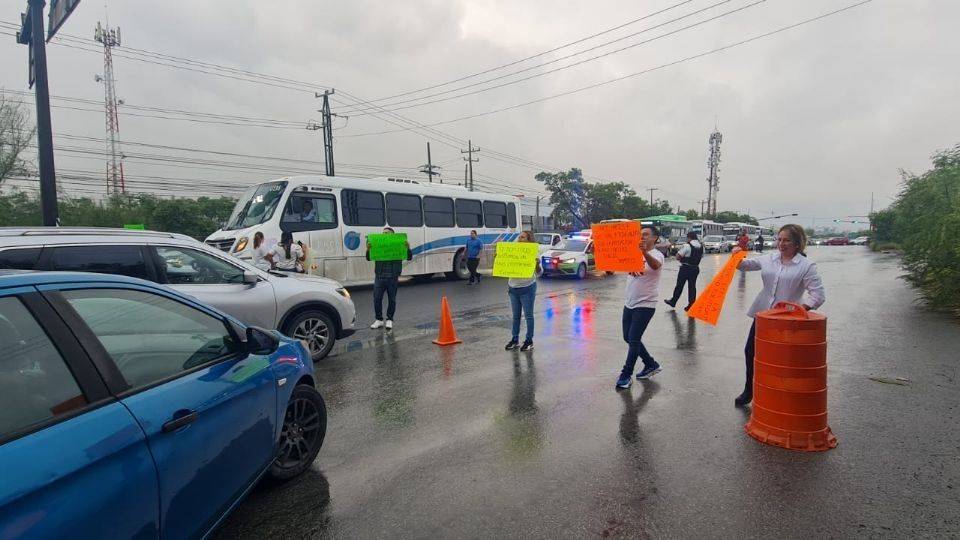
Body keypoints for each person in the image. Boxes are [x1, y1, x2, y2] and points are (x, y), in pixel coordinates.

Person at [732, 224, 825, 406]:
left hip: (787, 321)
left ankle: (782, 394)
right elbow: (743, 266)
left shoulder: (806, 266)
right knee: (750, 351)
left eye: (787, 240)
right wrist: (737, 253)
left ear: (797, 243)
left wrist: (801, 310)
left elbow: (818, 295)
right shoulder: (770, 259)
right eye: (779, 239)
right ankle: (749, 390)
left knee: (782, 360)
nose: (781, 244)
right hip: (763, 316)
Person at [616, 225, 665, 389]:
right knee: (627, 337)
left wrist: (644, 252)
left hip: (646, 304)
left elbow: (656, 266)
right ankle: (651, 364)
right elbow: (619, 262)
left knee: (634, 339)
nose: (642, 237)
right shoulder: (633, 253)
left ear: (655, 238)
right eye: (640, 234)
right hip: (629, 302)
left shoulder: (657, 254)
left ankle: (626, 375)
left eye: (646, 234)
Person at [366, 227, 412, 330]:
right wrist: (368, 250)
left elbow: (409, 257)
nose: (384, 235)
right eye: (383, 233)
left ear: (393, 235)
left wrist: (408, 248)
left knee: (392, 299)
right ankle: (379, 320)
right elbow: (369, 258)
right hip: (379, 277)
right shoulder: (378, 245)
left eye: (387, 233)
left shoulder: (399, 245)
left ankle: (390, 319)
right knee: (377, 299)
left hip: (392, 278)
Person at [504, 231, 541, 352]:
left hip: (527, 287)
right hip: (513, 288)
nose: (520, 239)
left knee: (528, 316)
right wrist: (500, 257)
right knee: (516, 316)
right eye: (519, 237)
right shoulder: (513, 250)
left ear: (529, 239)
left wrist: (537, 265)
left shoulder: (534, 252)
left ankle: (529, 341)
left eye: (523, 237)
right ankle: (515, 339)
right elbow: (505, 267)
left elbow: (540, 273)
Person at [665, 231, 703, 311]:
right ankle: (691, 304)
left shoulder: (686, 246)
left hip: (685, 268)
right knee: (692, 287)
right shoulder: (701, 246)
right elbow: (701, 256)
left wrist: (680, 257)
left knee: (679, 285)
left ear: (689, 237)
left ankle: (673, 301)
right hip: (695, 268)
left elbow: (678, 256)